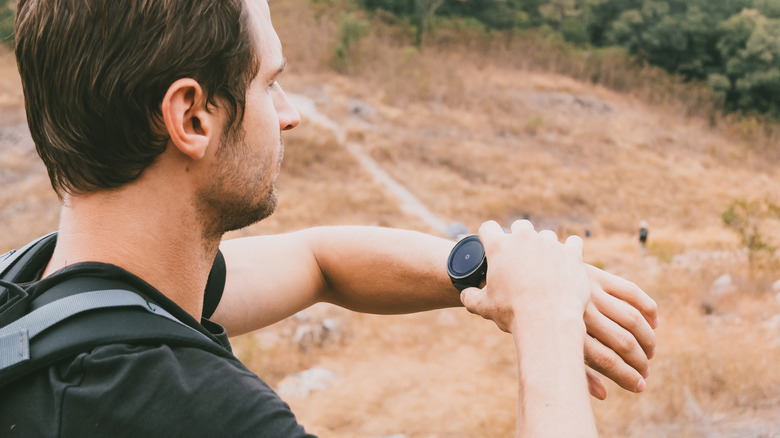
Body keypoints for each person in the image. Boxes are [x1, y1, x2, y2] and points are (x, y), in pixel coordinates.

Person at [1, 0, 658, 436]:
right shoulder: (195, 413)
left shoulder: (36, 295)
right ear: (193, 118)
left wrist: (499, 272)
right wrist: (546, 324)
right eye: (268, 84)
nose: (289, 113)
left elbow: (319, 261)